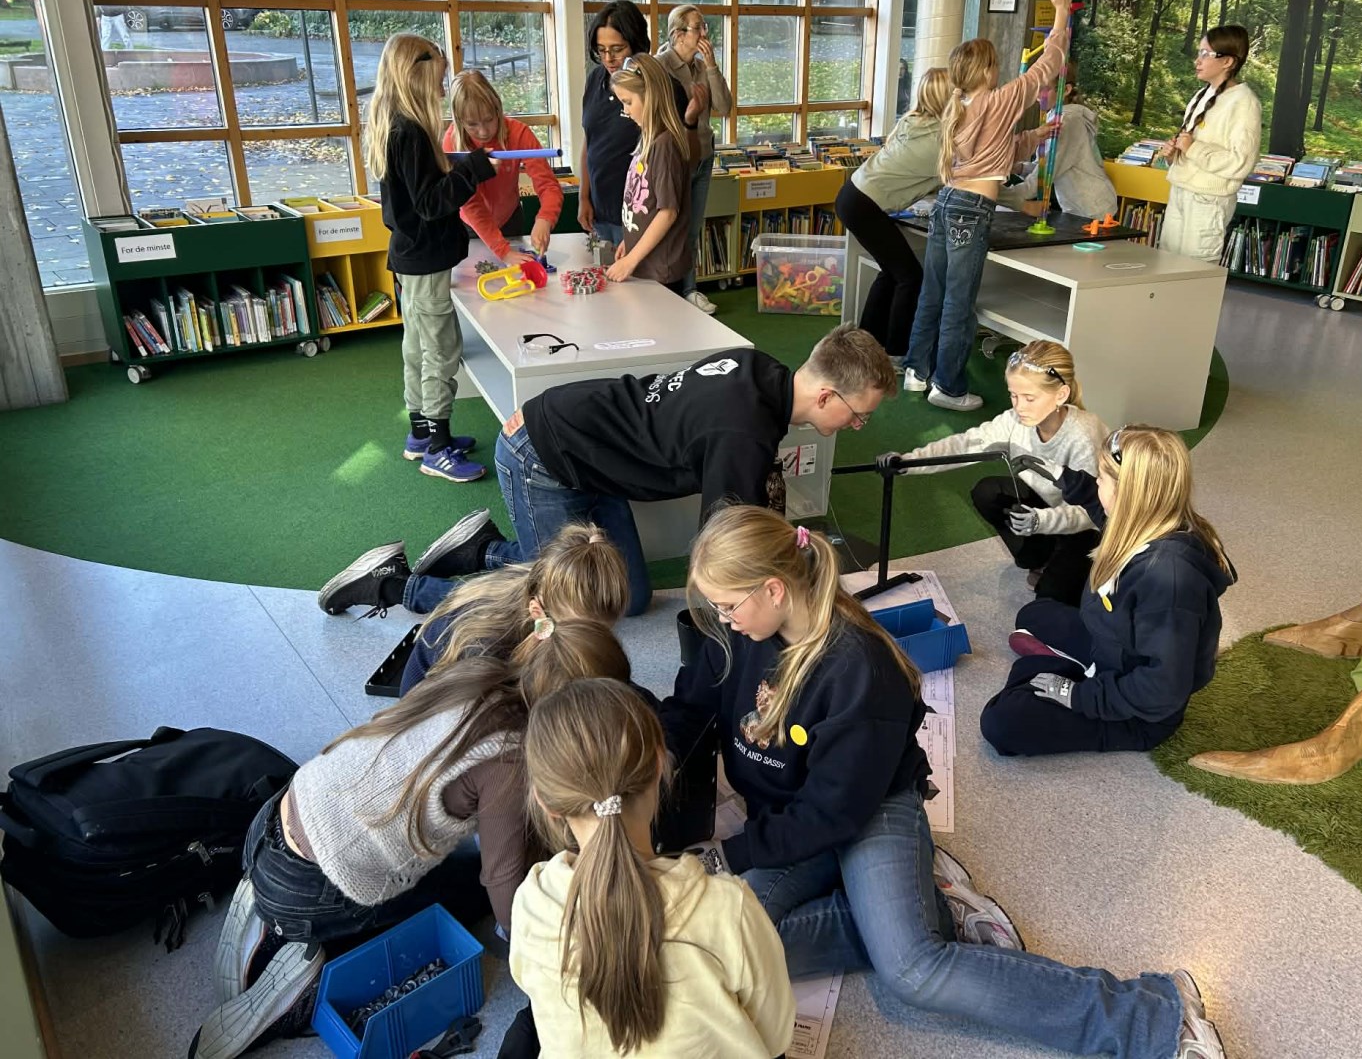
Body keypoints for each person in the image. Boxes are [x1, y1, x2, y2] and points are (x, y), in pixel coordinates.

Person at [662, 505, 1229, 1059]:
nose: (723, 619)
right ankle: (928, 909)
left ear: (773, 590)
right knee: (732, 949)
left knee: (913, 969)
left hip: (868, 810)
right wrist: (638, 763)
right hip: (793, 819)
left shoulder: (857, 666)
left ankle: (1152, 1017)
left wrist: (728, 855)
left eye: (727, 605)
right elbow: (688, 711)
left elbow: (833, 813)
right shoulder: (735, 635)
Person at [189, 620, 632, 1059]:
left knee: (452, 856)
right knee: (463, 897)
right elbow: (503, 881)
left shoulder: (477, 670)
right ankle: (301, 977)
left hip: (278, 816)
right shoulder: (509, 757)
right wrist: (542, 945)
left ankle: (266, 904)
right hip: (314, 885)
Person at [319, 324, 899, 620]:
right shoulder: (742, 434)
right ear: (826, 396)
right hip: (542, 457)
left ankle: (484, 548)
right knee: (554, 609)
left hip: (590, 459)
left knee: (630, 598)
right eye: (859, 414)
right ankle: (394, 584)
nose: (857, 426)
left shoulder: (761, 369)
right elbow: (723, 553)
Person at [510, 676, 796, 1057]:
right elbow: (776, 1037)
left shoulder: (532, 903)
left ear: (545, 803)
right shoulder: (729, 909)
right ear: (661, 765)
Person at [984, 425, 1236, 756]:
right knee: (1033, 613)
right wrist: (1064, 477)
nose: (1096, 483)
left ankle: (1069, 671)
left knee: (1000, 722)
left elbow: (1162, 689)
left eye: (1101, 478)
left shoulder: (1169, 580)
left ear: (1127, 493)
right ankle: (1069, 667)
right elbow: (1101, 505)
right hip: (1113, 650)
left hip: (1139, 713)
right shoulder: (1152, 520)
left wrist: (1078, 696)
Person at [903, 0, 1074, 413]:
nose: (999, 71)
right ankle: (948, 387)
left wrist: (1036, 135)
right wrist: (1060, 13)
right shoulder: (998, 100)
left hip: (947, 204)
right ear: (985, 72)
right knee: (959, 304)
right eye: (995, 64)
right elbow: (1048, 66)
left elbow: (998, 151)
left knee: (933, 293)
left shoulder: (958, 107)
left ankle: (917, 371)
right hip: (971, 210)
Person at [879, 340, 1107, 607]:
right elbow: (966, 444)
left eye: (1029, 398)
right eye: (1013, 395)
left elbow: (1089, 511)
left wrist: (1040, 521)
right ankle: (1040, 559)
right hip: (1047, 509)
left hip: (1090, 528)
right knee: (988, 492)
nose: (1019, 407)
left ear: (1061, 395)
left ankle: (1079, 568)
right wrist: (908, 461)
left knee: (1049, 603)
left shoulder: (1083, 435)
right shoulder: (1015, 420)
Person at [368, 33, 496, 483]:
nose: (442, 89)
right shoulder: (410, 133)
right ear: (417, 75)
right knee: (441, 350)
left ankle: (421, 433)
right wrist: (472, 169)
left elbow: (417, 195)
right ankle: (438, 449)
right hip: (424, 260)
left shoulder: (395, 125)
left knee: (417, 346)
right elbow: (430, 203)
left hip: (409, 258)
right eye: (439, 79)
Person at [396, 521, 629, 696]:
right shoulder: (485, 652)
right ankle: (394, 585)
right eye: (581, 633)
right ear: (538, 614)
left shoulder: (546, 585)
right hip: (437, 708)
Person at [834, 66, 951, 359]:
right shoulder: (939, 140)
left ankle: (866, 344)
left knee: (893, 273)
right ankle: (896, 352)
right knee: (910, 277)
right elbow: (963, 177)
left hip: (853, 196)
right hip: (864, 204)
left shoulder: (915, 123)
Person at [578, 1, 697, 248]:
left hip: (643, 218)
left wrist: (692, 121)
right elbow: (590, 139)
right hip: (601, 213)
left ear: (637, 44)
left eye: (617, 49)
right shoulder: (595, 80)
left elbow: (683, 160)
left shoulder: (665, 90)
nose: (608, 59)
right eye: (601, 50)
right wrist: (583, 197)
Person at [1158, 26, 1260, 265]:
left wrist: (1193, 148)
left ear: (1228, 61)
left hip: (1208, 200)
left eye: (1205, 54)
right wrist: (1173, 154)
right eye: (1199, 53)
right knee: (1165, 265)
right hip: (1180, 190)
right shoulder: (1201, 95)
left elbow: (1240, 162)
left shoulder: (1244, 102)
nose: (1197, 61)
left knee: (1195, 271)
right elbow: (1189, 149)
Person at [656, 5, 733, 315]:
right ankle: (667, 290)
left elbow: (724, 107)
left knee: (692, 227)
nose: (704, 33)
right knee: (669, 225)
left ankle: (690, 289)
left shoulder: (702, 66)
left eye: (704, 26)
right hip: (675, 159)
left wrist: (712, 66)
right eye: (698, 27)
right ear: (678, 34)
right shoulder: (660, 66)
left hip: (704, 156)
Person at [443, 68, 563, 263]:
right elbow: (471, 204)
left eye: (489, 119)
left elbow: (548, 184)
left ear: (497, 109)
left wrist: (545, 218)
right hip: (469, 226)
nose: (483, 131)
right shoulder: (452, 142)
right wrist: (503, 251)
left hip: (510, 219)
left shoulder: (518, 133)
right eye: (472, 124)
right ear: (459, 120)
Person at [606, 54, 695, 296]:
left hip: (661, 272)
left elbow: (668, 212)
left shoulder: (665, 145)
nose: (625, 111)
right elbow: (646, 206)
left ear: (651, 97)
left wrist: (631, 259)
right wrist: (630, 242)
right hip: (646, 265)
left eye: (628, 102)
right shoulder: (649, 138)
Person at [1051, 75, 1118, 219]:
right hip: (1078, 207)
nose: (1037, 94)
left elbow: (1050, 169)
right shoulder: (1054, 116)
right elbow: (1044, 164)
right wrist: (1019, 168)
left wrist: (1009, 196)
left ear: (1066, 89)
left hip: (1093, 208)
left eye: (1042, 88)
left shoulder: (1070, 121)